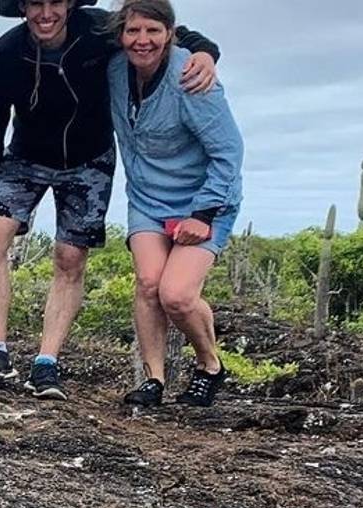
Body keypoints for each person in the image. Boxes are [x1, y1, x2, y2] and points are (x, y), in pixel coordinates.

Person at [0, 0, 219, 399]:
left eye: (55, 3)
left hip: (90, 159)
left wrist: (206, 52)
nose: (45, 14)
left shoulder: (101, 29)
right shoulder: (7, 53)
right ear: (22, 9)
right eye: (35, 4)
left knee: (70, 258)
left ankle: (46, 362)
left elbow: (164, 30)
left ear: (69, 5)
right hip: (26, 156)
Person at [109, 0, 242, 408]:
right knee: (148, 284)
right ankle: (154, 379)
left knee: (178, 295)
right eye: (133, 31)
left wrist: (202, 214)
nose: (142, 40)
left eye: (153, 30)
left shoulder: (191, 77)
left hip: (204, 200)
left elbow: (229, 151)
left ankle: (210, 365)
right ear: (120, 35)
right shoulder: (115, 69)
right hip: (147, 198)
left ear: (170, 33)